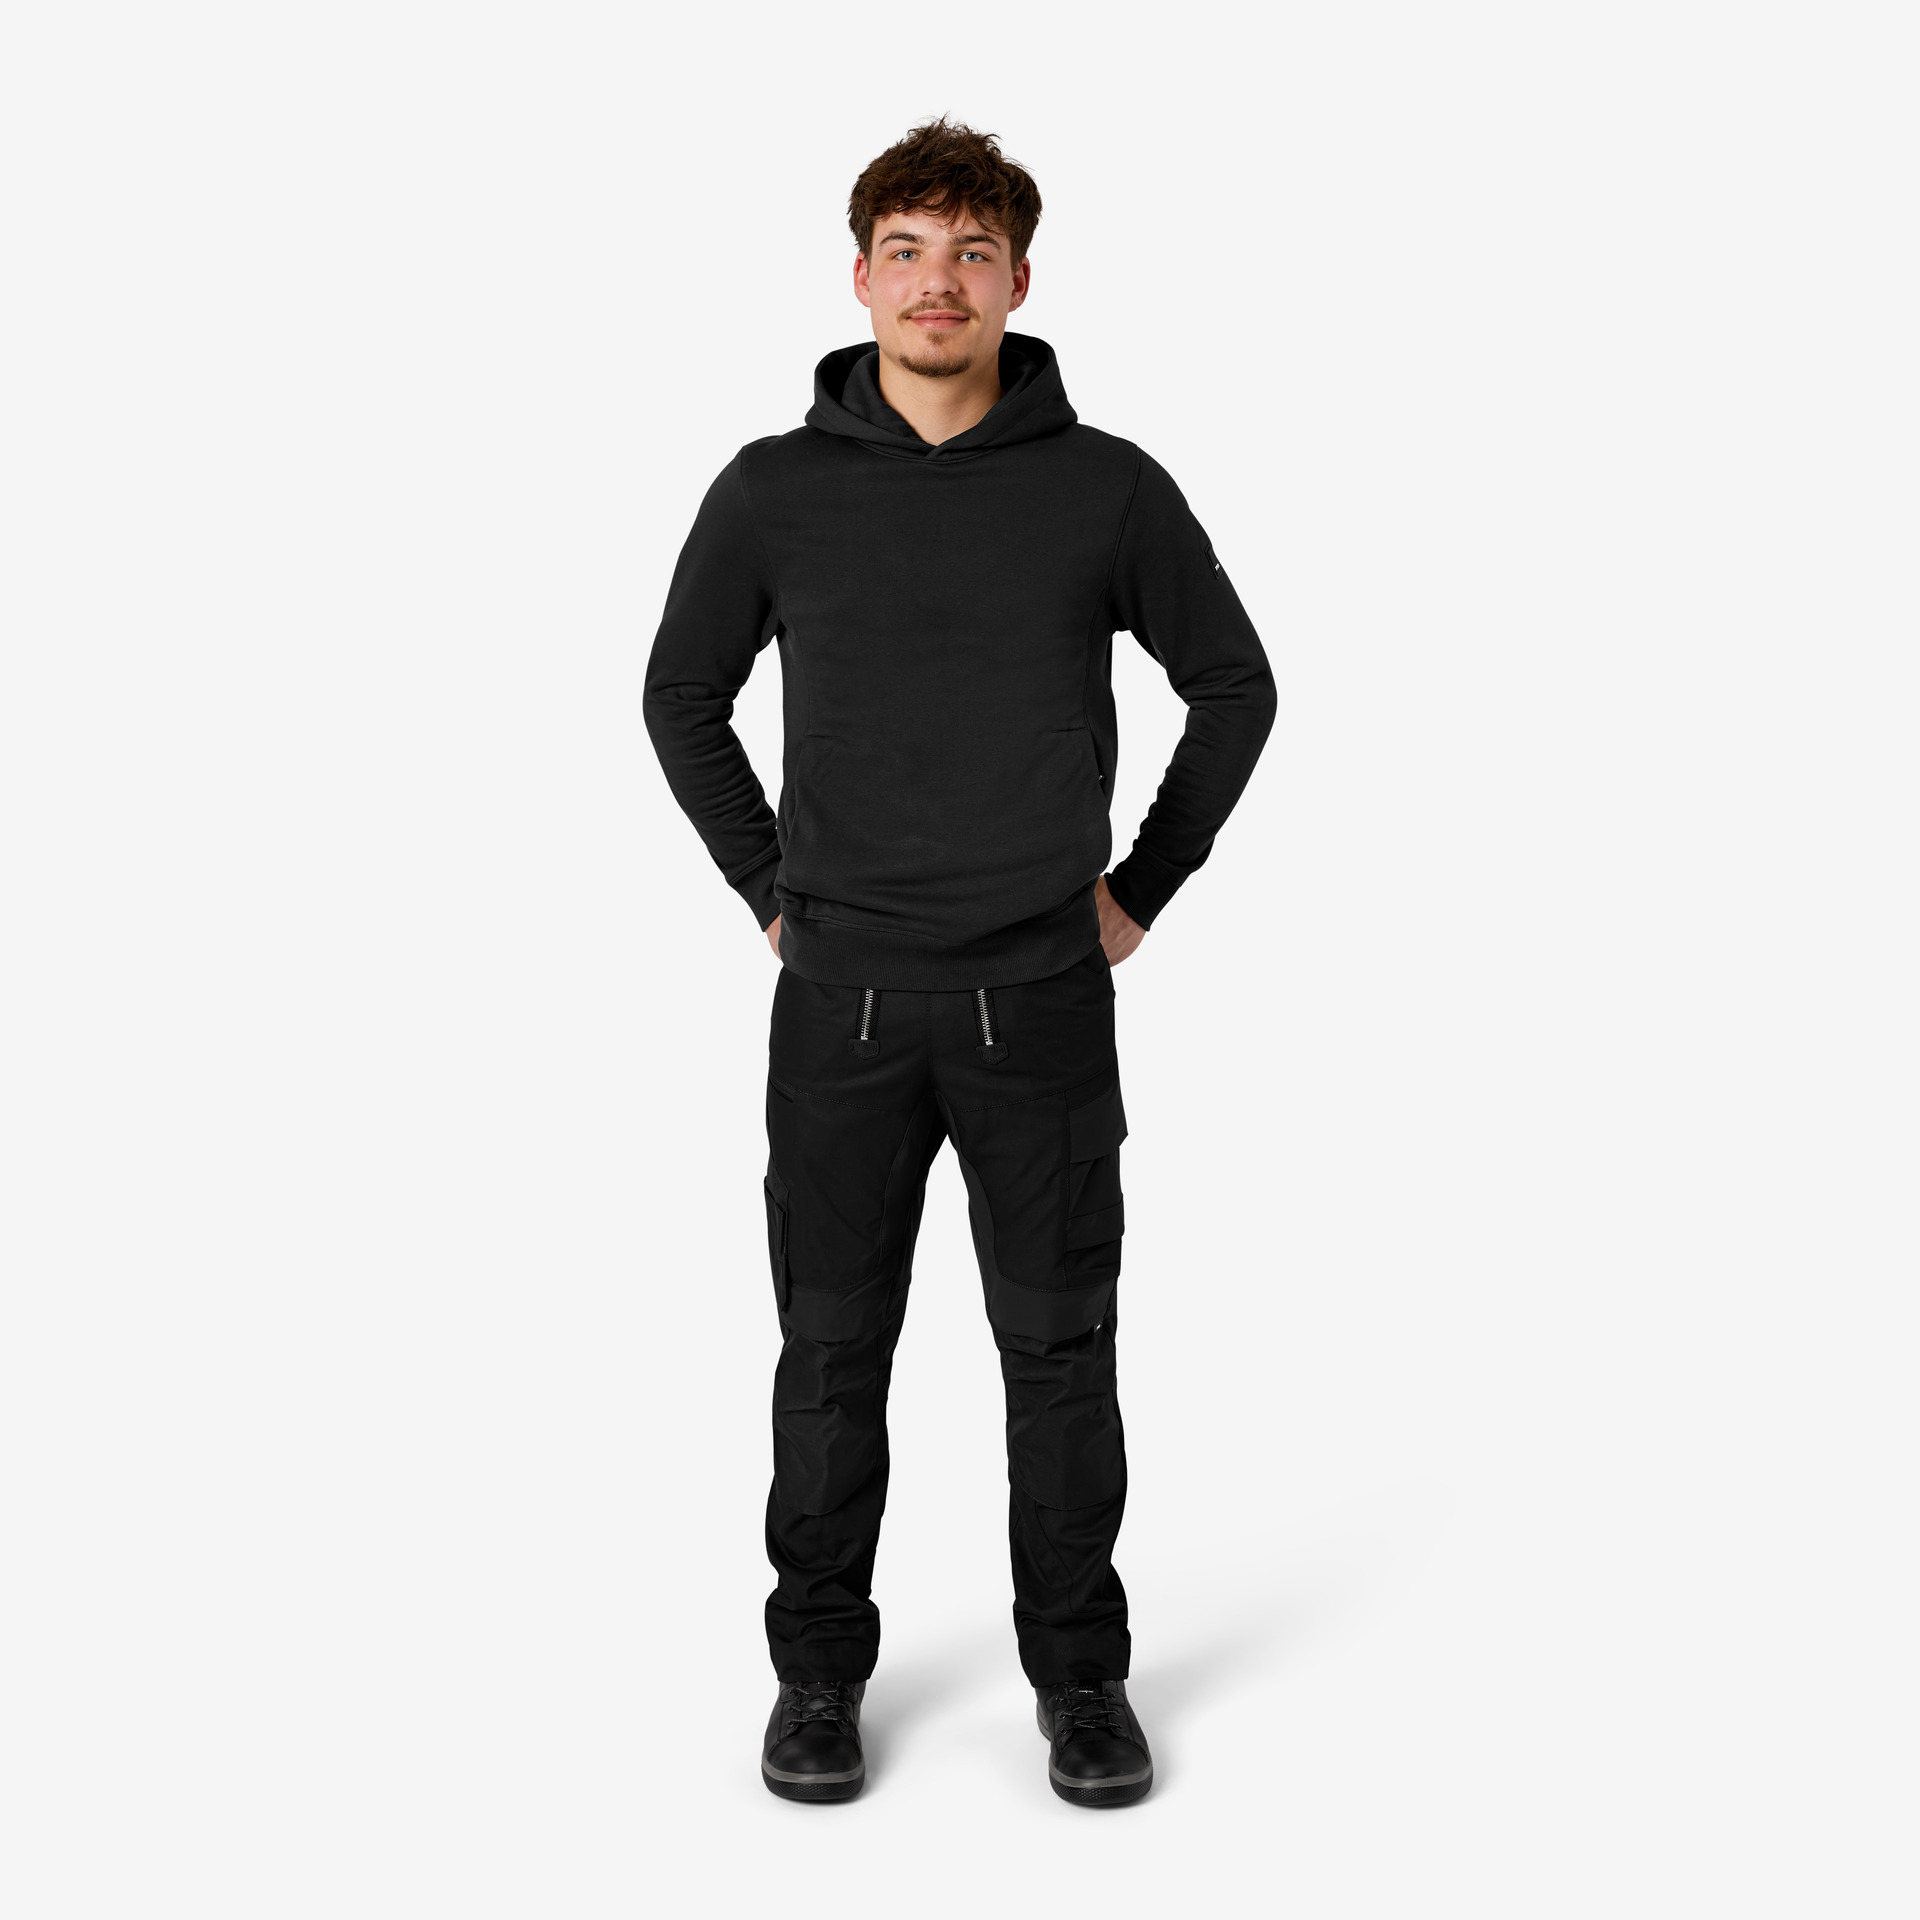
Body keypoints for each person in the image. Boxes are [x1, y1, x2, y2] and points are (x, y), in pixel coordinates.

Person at [643, 117, 1276, 1807]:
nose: (941, 283)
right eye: (910, 252)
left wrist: (1143, 888)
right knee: (830, 1357)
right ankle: (816, 1680)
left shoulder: (1106, 487)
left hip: (1042, 1007)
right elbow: (679, 696)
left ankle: (1083, 1680)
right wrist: (770, 888)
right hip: (840, 1009)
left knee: (1060, 1355)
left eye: (972, 254)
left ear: (1019, 282)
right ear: (861, 279)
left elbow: (1236, 686)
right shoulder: (773, 490)